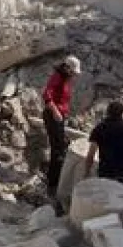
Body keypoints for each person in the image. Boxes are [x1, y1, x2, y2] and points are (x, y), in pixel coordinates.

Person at [41, 56, 80, 202]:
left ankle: (54, 179)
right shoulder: (57, 77)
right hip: (53, 116)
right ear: (67, 68)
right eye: (73, 72)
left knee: (61, 147)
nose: (74, 75)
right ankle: (52, 184)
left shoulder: (65, 79)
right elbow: (47, 94)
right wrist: (56, 111)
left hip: (59, 116)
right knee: (58, 150)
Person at [85, 101, 123, 191]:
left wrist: (86, 173)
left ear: (107, 113)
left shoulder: (99, 129)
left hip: (106, 175)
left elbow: (91, 154)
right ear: (122, 114)